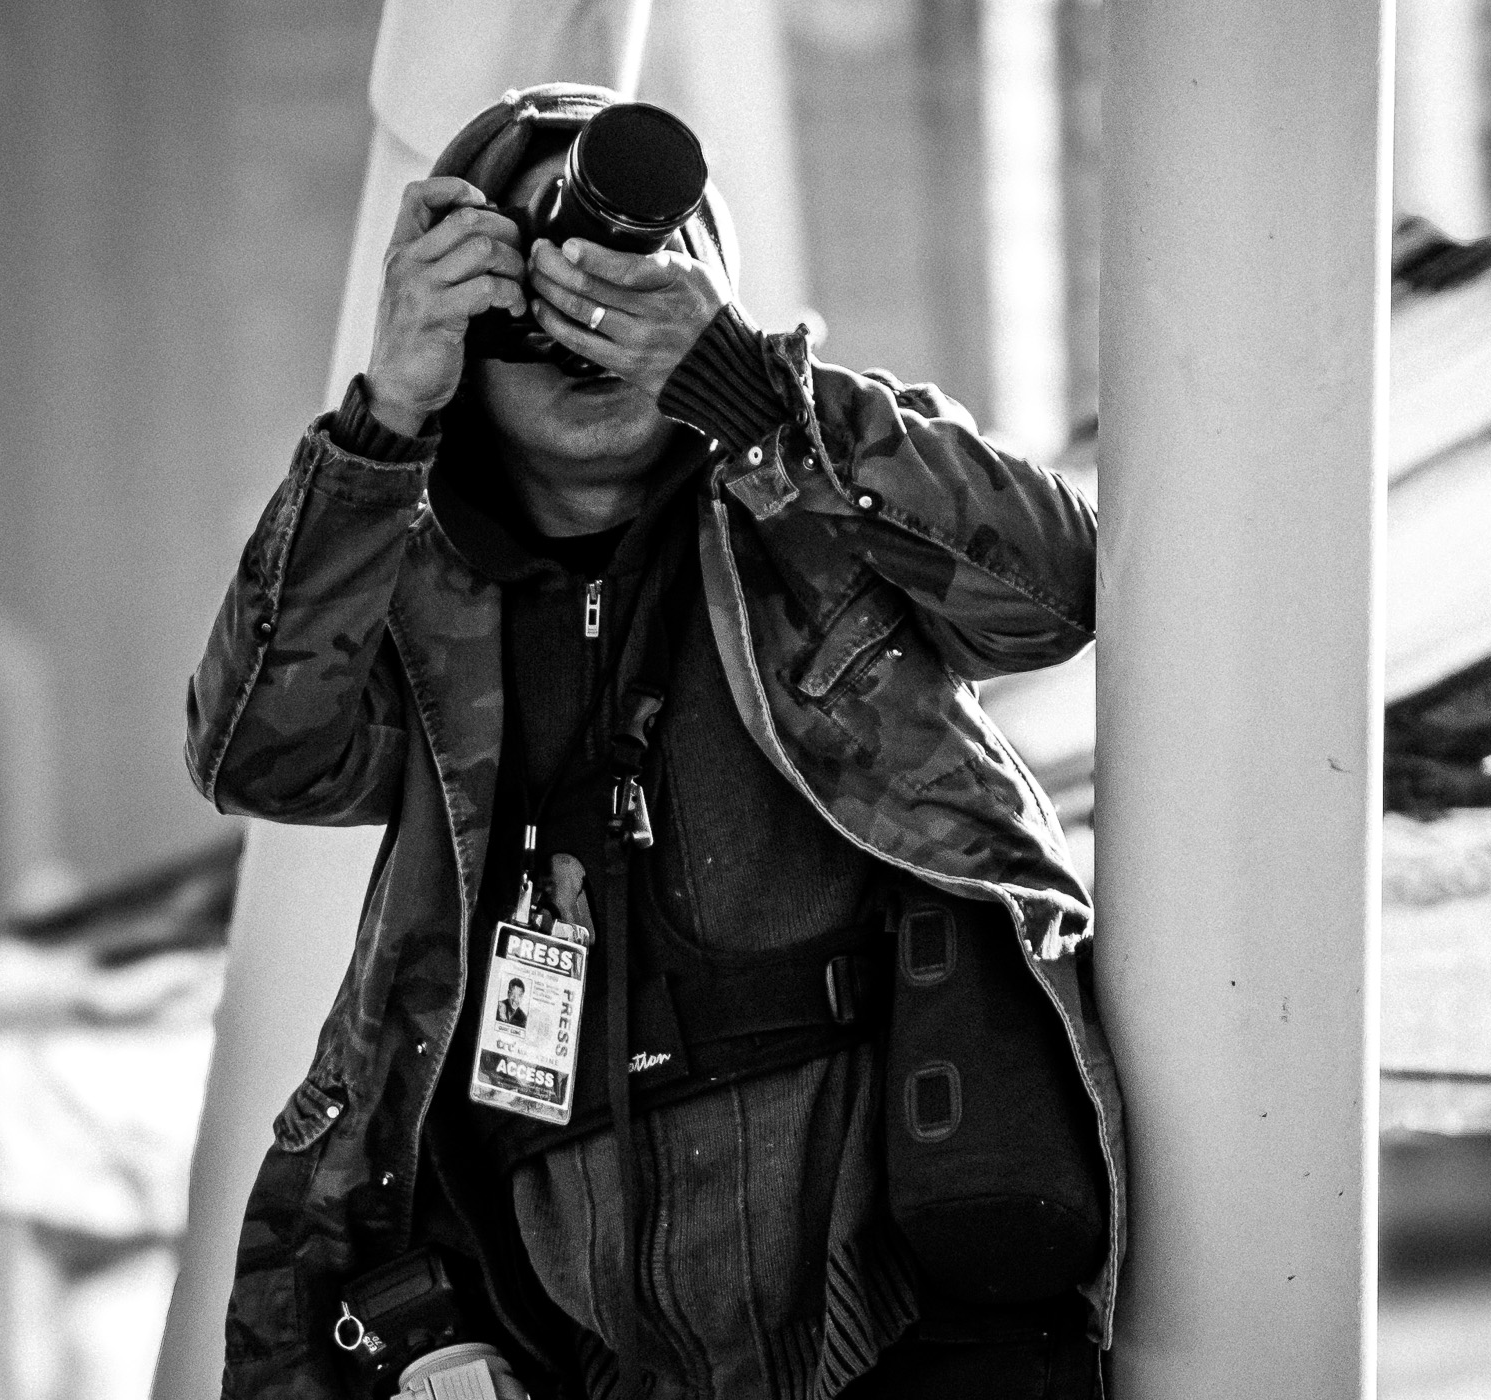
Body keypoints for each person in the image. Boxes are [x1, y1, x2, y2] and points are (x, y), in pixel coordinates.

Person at [186, 82, 1121, 1400]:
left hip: (923, 1311)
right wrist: (384, 418)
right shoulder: (417, 588)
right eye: (541, 308)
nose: (587, 339)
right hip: (577, 1353)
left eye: (630, 300)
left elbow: (1054, 595)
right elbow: (255, 753)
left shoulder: (803, 505)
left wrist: (740, 386)